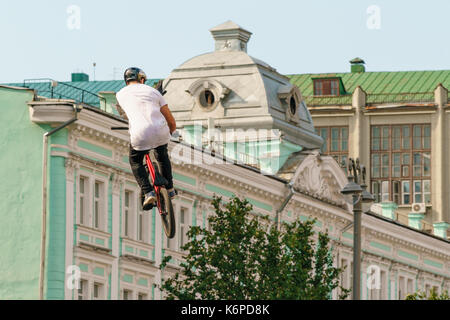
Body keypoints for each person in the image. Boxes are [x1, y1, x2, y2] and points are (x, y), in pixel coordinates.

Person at [115, 67, 177, 210]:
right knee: (162, 156)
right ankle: (170, 189)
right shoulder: (154, 92)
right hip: (160, 131)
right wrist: (171, 132)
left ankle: (148, 192)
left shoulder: (120, 94)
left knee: (135, 161)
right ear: (142, 79)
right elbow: (170, 120)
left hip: (140, 133)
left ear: (126, 81)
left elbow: (125, 113)